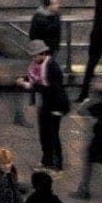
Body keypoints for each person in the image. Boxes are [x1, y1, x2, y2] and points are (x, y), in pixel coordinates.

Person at [26, 43, 71, 172]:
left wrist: (31, 86)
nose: (33, 59)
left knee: (52, 135)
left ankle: (57, 165)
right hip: (45, 106)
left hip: (55, 106)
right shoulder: (38, 66)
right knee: (44, 135)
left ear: (43, 54)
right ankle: (47, 161)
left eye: (35, 56)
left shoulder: (52, 67)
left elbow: (52, 89)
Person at [27, 0, 67, 81]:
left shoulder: (56, 15)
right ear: (48, 6)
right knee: (44, 74)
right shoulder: (38, 18)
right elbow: (33, 36)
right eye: (55, 4)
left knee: (51, 71)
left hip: (53, 48)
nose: (58, 6)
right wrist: (39, 52)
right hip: (42, 52)